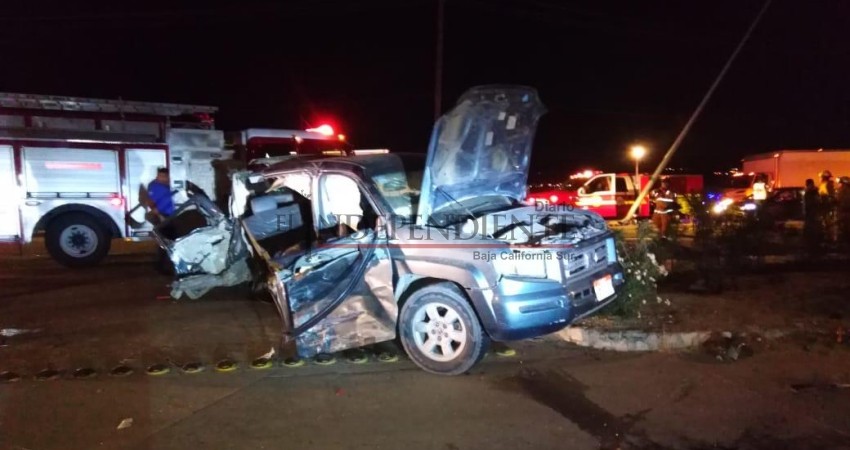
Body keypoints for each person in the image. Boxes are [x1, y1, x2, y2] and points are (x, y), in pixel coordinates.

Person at [803, 178, 822, 255]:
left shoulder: (812, 192)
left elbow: (813, 203)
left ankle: (813, 246)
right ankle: (812, 245)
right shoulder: (811, 192)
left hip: (812, 213)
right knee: (812, 228)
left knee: (812, 228)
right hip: (811, 213)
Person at [818, 170, 837, 243]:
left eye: (821, 177)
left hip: (828, 208)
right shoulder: (823, 185)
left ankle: (831, 240)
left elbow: (831, 196)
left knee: (829, 224)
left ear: (824, 177)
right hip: (824, 207)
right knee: (825, 224)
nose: (820, 179)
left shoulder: (828, 185)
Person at [836, 176, 850, 248]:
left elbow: (839, 200)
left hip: (844, 212)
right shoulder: (846, 190)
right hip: (846, 211)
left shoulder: (843, 190)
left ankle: (845, 242)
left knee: (844, 227)